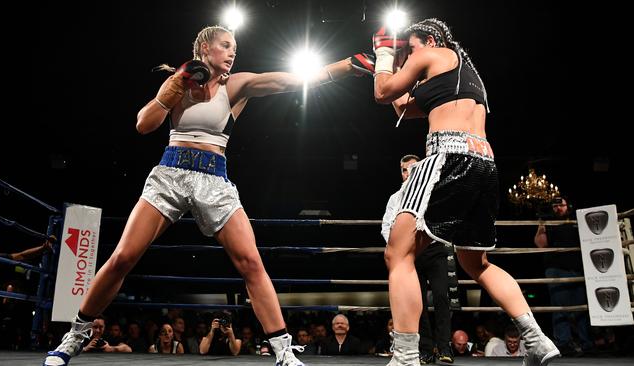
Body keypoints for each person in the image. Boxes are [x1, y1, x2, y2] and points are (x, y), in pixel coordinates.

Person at [42, 24, 365, 366]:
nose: (232, 52)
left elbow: (292, 80)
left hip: (214, 178)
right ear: (205, 49)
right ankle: (76, 335)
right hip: (170, 174)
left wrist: (346, 65)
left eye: (234, 47)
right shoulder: (178, 83)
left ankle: (283, 351)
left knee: (251, 263)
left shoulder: (238, 85)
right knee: (123, 256)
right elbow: (143, 124)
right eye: (226, 46)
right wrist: (178, 83)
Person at [371, 18, 559, 366]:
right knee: (477, 263)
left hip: (447, 155)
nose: (410, 55)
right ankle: (537, 339)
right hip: (484, 164)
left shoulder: (433, 52)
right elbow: (400, 105)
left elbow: (383, 93)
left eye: (411, 49)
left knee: (397, 254)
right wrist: (385, 70)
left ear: (428, 40)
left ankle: (406, 356)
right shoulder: (464, 75)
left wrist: (383, 54)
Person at [381, 154, 454, 363]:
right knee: (417, 302)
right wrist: (400, 248)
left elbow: (444, 221)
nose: (409, 173)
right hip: (410, 256)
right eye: (405, 170)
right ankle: (425, 349)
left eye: (413, 169)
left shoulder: (433, 194)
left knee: (441, 297)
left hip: (434, 250)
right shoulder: (395, 198)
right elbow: (386, 226)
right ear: (401, 173)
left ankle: (444, 347)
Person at [534, 196, 593, 356]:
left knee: (581, 308)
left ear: (569, 206)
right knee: (560, 309)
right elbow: (540, 244)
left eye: (561, 205)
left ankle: (585, 343)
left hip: (577, 268)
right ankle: (564, 343)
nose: (558, 208)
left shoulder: (577, 222)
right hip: (556, 269)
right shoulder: (549, 223)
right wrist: (541, 224)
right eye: (555, 206)